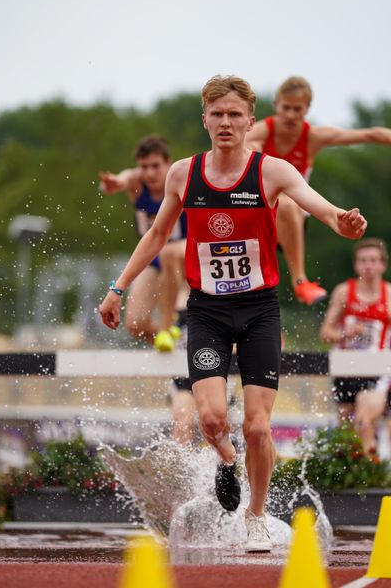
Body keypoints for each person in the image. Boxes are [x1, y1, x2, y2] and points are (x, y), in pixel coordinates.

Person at [99, 75, 366, 552]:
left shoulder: (272, 172)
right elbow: (157, 236)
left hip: (260, 309)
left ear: (249, 121)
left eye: (234, 115)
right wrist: (118, 288)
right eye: (216, 114)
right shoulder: (184, 173)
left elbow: (323, 211)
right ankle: (225, 461)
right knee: (210, 420)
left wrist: (344, 221)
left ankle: (257, 517)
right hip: (207, 313)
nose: (225, 122)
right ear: (205, 120)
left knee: (258, 426)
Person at [246, 76, 391, 306]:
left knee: (287, 203)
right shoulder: (261, 132)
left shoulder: (313, 137)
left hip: (291, 218)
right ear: (277, 105)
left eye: (298, 109)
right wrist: (251, 148)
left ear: (307, 109)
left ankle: (300, 280)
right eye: (286, 108)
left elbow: (369, 134)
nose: (291, 115)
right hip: (256, 214)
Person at [99, 135, 187, 351]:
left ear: (169, 163)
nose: (149, 173)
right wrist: (116, 182)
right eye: (144, 167)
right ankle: (176, 345)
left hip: (186, 254)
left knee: (171, 254)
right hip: (153, 257)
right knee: (135, 324)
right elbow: (126, 177)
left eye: (156, 166)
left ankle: (177, 324)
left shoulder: (180, 180)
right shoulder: (138, 183)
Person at [320, 238, 391, 425]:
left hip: (378, 366)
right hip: (347, 365)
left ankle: (376, 451)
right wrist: (345, 334)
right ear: (356, 264)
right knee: (346, 428)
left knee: (364, 420)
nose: (368, 266)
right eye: (363, 260)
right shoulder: (344, 292)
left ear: (383, 265)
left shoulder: (389, 295)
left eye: (373, 260)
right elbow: (325, 333)